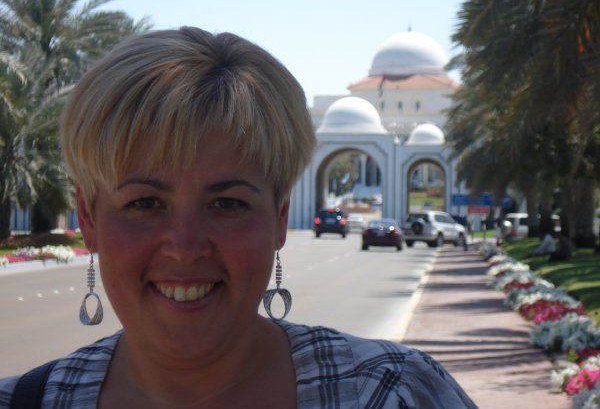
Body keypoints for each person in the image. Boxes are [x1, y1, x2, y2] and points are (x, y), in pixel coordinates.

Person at [0, 27, 476, 408]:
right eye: (145, 203)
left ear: (280, 216)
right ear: (88, 217)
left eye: (227, 204)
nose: (185, 247)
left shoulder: (394, 394)